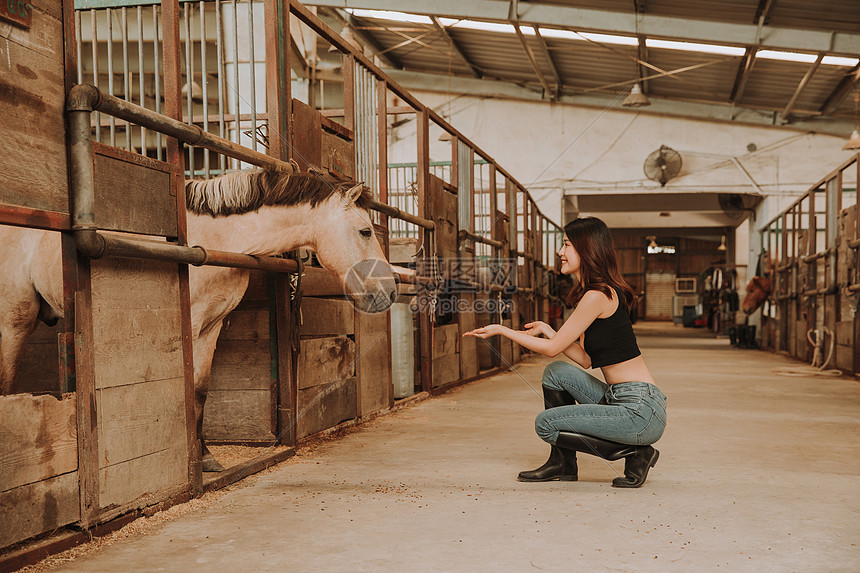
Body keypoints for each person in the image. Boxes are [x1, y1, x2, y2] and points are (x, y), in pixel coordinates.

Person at [464, 217, 667, 488]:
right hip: (624, 399)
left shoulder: (597, 295)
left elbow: (551, 350)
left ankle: (636, 453)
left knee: (545, 425)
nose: (561, 252)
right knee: (557, 373)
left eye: (567, 245)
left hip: (639, 410)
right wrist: (550, 330)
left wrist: (503, 330)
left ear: (587, 249)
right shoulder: (597, 293)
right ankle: (562, 463)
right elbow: (586, 359)